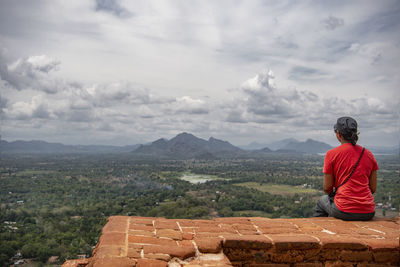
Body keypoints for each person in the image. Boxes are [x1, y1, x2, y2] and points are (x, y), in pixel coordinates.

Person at [314, 116, 378, 220]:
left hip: (343, 210)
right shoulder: (368, 154)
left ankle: (318, 229)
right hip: (368, 211)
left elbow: (327, 188)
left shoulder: (331, 154)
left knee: (322, 201)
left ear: (338, 134)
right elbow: (373, 188)